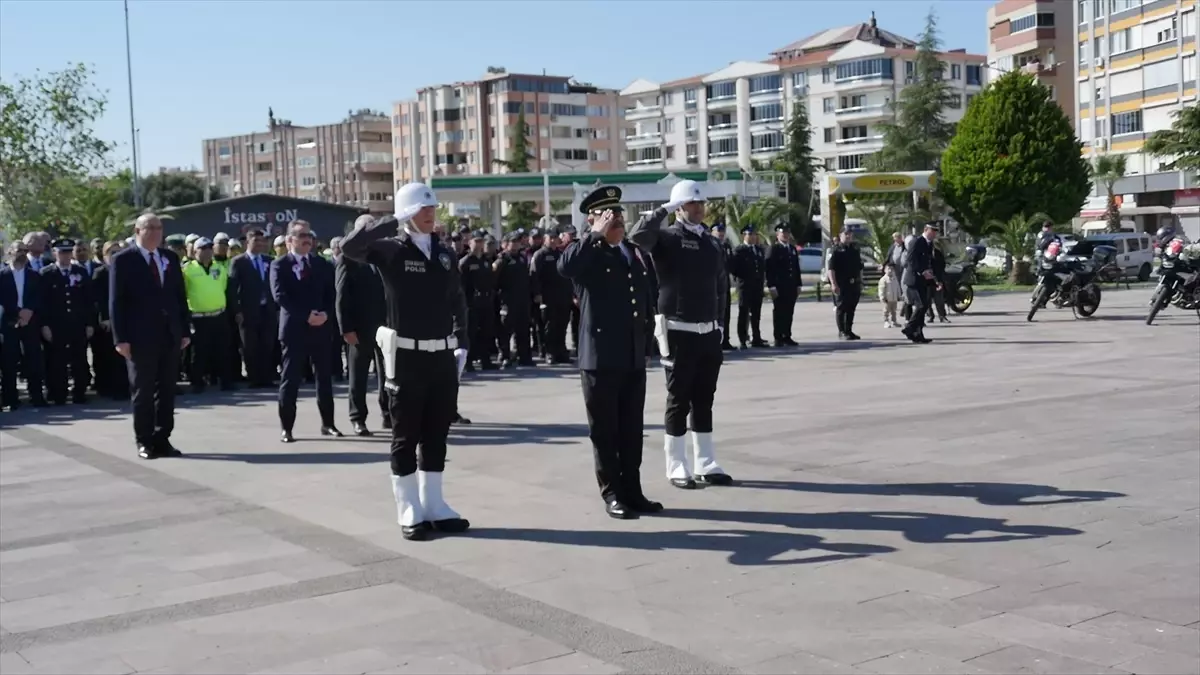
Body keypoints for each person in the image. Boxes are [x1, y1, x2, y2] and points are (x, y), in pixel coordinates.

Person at [340, 182, 470, 541]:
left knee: (437, 433)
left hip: (442, 354)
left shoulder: (444, 253)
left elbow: (457, 299)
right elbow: (351, 248)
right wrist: (391, 220)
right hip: (406, 356)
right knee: (405, 434)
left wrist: (463, 342)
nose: (430, 215)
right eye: (421, 209)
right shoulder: (389, 249)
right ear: (407, 213)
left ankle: (435, 505)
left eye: (432, 209)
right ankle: (408, 507)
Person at [559, 185, 661, 518]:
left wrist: (647, 345)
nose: (616, 219)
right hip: (600, 359)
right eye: (607, 215)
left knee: (632, 430)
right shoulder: (586, 252)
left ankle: (633, 491)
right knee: (606, 432)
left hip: (632, 356)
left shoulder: (631, 252)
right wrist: (593, 234)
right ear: (591, 219)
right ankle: (612, 493)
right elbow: (566, 268)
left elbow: (643, 301)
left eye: (617, 214)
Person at [629, 179, 734, 490]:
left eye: (700, 203)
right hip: (677, 330)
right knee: (679, 400)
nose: (698, 208)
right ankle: (676, 465)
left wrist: (720, 326)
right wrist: (664, 210)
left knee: (705, 399)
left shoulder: (711, 242)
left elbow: (720, 288)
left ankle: (706, 462)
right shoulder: (666, 238)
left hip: (707, 331)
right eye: (691, 204)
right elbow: (638, 236)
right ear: (678, 208)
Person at [110, 213, 191, 459]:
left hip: (169, 334)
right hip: (139, 336)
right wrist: (120, 338)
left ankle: (162, 437)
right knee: (143, 391)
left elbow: (179, 296)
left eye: (159, 227)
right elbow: (116, 301)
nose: (156, 232)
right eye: (150, 228)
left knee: (166, 390)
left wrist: (185, 329)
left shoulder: (169, 258)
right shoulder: (123, 260)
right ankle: (144, 440)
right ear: (137, 230)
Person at [270, 221, 341, 442]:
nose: (307, 239)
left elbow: (332, 294)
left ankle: (328, 424)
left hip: (320, 329)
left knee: (324, 379)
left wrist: (326, 315)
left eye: (309, 235)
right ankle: (287, 428)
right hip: (294, 330)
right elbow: (280, 296)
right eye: (301, 235)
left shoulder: (322, 264)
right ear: (290, 239)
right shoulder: (279, 265)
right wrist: (306, 315)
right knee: (290, 379)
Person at [335, 215, 391, 436]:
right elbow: (341, 296)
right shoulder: (347, 259)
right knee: (358, 376)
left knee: (388, 374)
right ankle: (358, 418)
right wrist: (346, 328)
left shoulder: (382, 256)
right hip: (359, 328)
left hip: (385, 327)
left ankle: (388, 414)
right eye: (366, 230)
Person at [40, 239, 96, 405]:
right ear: (55, 253)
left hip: (77, 324)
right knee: (57, 361)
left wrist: (90, 324)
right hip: (56, 325)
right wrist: (44, 325)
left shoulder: (80, 272)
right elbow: (42, 302)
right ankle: (59, 393)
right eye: (61, 252)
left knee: (79, 359)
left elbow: (89, 301)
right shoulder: (46, 273)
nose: (65, 255)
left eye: (68, 252)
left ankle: (79, 393)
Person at [181, 237, 233, 392]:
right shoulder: (187, 269)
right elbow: (183, 293)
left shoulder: (219, 268)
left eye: (210, 248)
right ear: (195, 251)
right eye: (203, 248)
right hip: (199, 317)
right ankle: (197, 382)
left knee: (223, 350)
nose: (208, 251)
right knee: (199, 352)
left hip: (219, 315)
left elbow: (223, 287)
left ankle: (226, 381)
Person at [228, 228, 278, 388]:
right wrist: (237, 311)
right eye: (256, 241)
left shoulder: (269, 260)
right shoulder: (239, 262)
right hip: (248, 311)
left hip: (267, 310)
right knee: (250, 346)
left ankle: (267, 377)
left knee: (267, 344)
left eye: (262, 241)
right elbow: (232, 289)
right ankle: (254, 378)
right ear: (247, 242)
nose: (260, 244)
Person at [0, 241, 47, 409]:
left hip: (31, 321)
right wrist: (18, 311)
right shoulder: (2, 275)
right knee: (9, 362)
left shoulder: (35, 275)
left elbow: (39, 297)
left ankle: (37, 396)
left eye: (24, 251)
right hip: (9, 322)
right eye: (18, 250)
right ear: (10, 252)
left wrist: (29, 311)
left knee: (34, 360)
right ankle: (10, 399)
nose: (22, 253)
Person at [90, 242, 130, 400]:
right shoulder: (100, 272)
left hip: (124, 318)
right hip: (107, 321)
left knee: (123, 355)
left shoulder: (126, 271)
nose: (115, 256)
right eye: (112, 253)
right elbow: (97, 299)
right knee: (107, 355)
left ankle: (124, 387)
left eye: (118, 252)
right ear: (105, 255)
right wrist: (104, 318)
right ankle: (108, 388)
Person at [494, 231, 536, 368]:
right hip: (508, 301)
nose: (516, 244)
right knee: (505, 330)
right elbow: (494, 281)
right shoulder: (502, 259)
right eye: (513, 241)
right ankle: (505, 356)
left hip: (522, 300)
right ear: (507, 243)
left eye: (518, 241)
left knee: (523, 329)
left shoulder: (522, 258)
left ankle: (524, 356)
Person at [530, 230, 573, 364]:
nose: (554, 240)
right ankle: (549, 352)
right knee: (550, 326)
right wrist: (537, 294)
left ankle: (561, 352)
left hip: (563, 296)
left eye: (556, 237)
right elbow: (534, 275)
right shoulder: (540, 255)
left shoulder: (561, 254)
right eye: (551, 238)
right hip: (548, 297)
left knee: (562, 324)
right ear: (545, 239)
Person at [459, 232, 498, 371]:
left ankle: (485, 360)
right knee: (471, 333)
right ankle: (468, 362)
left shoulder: (486, 261)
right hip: (472, 303)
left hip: (486, 301)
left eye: (481, 241)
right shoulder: (465, 262)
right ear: (470, 243)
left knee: (486, 331)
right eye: (476, 241)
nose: (479, 244)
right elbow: (461, 286)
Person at [730, 226, 768, 349]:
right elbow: (734, 269)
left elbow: (761, 267)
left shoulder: (758, 249)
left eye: (754, 234)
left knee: (756, 313)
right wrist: (741, 280)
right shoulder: (739, 250)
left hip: (757, 286)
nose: (752, 236)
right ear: (743, 236)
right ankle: (743, 338)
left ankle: (756, 337)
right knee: (744, 313)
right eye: (749, 234)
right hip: (745, 286)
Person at [764, 224, 801, 347]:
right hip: (779, 286)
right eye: (782, 233)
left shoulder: (792, 248)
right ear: (777, 234)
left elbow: (796, 267)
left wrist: (798, 284)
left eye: (787, 232)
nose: (785, 235)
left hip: (791, 286)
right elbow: (769, 269)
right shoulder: (773, 249)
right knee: (779, 312)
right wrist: (771, 286)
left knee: (789, 311)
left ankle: (787, 335)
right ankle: (778, 337)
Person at [901, 223, 937, 344]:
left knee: (924, 305)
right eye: (933, 230)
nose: (935, 233)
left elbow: (928, 261)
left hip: (923, 280)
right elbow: (910, 260)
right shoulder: (917, 241)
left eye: (936, 231)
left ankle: (918, 333)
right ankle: (909, 328)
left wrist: (934, 278)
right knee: (921, 305)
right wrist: (922, 271)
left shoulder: (929, 244)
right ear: (926, 230)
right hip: (913, 279)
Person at [826, 228, 864, 340]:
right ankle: (842, 331)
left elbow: (859, 267)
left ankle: (849, 330)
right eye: (846, 234)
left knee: (851, 307)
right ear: (840, 235)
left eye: (850, 234)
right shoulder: (836, 250)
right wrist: (834, 284)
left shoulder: (854, 249)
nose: (848, 236)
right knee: (842, 308)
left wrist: (861, 281)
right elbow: (831, 269)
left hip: (854, 283)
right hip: (842, 284)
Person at [712, 222, 736, 351]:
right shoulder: (710, 245)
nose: (721, 234)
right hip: (714, 285)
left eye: (722, 232)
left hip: (724, 284)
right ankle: (716, 342)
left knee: (725, 313)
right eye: (718, 232)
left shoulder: (726, 246)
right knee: (715, 314)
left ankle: (725, 339)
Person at [878, 262, 902, 328]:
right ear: (885, 270)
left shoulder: (895, 279)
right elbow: (881, 289)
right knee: (886, 311)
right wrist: (882, 297)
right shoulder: (883, 280)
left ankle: (894, 321)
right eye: (888, 269)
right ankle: (886, 321)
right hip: (887, 299)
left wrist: (899, 296)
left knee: (894, 311)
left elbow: (897, 288)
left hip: (894, 298)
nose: (890, 270)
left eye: (892, 269)